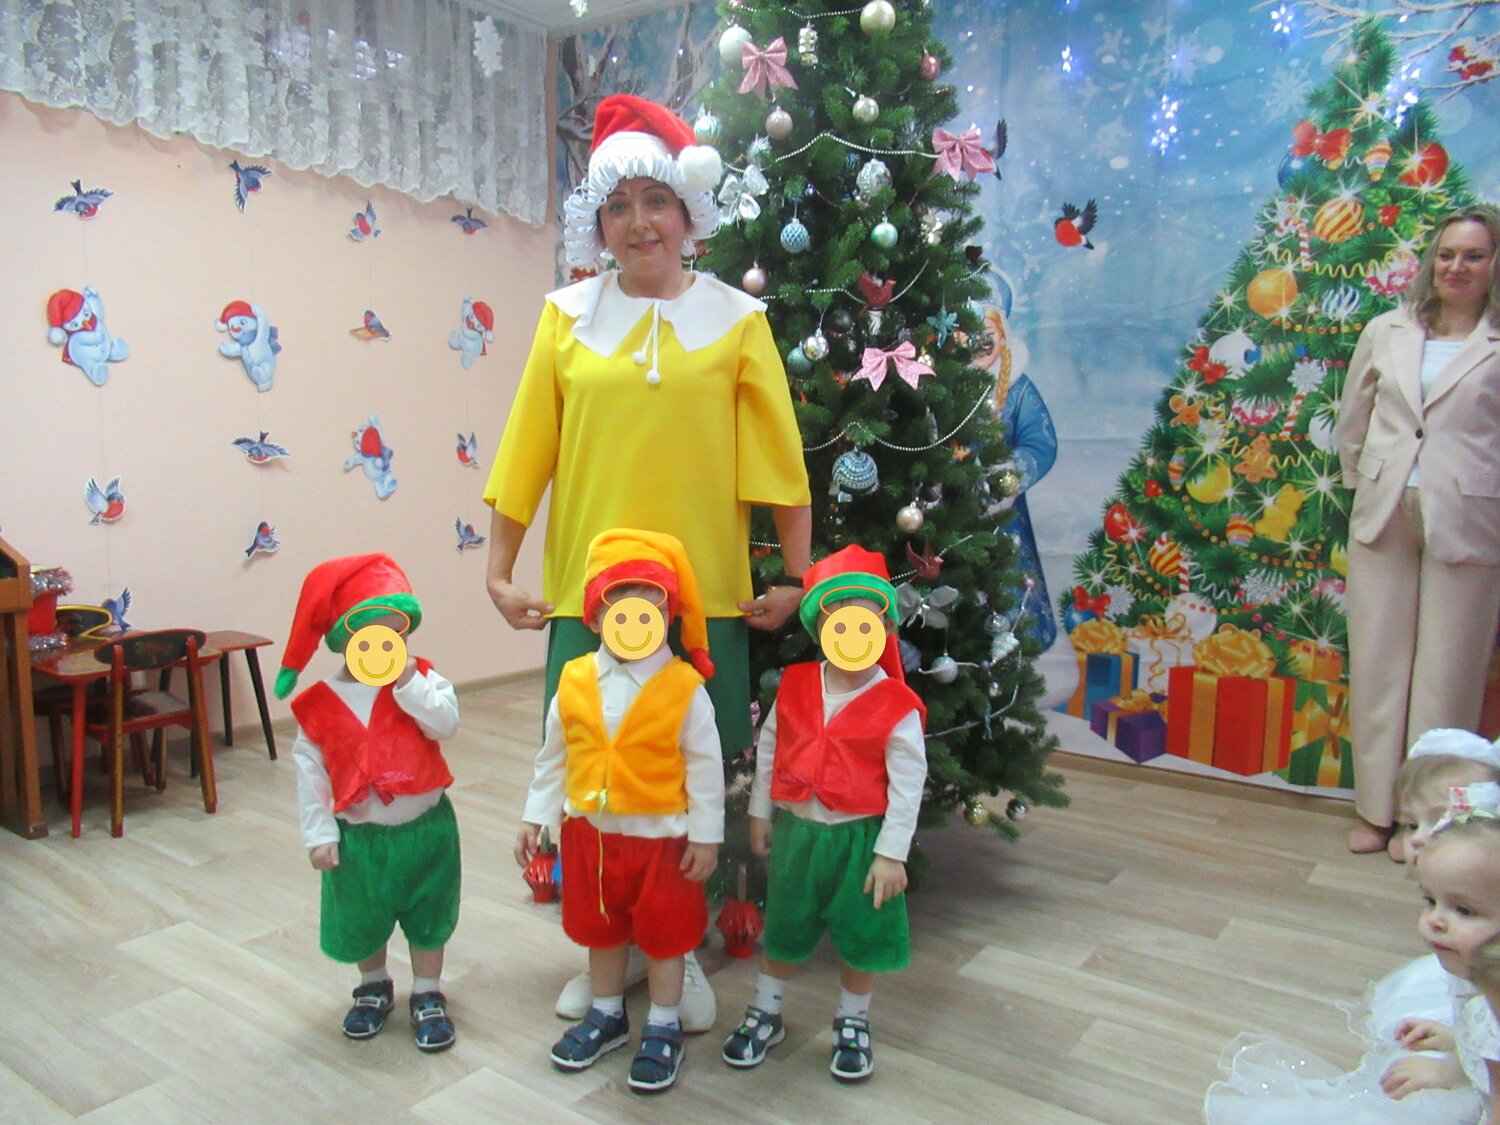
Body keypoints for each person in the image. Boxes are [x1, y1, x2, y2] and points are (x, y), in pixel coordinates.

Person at [484, 92, 812, 1025]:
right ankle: (610, 952)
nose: (638, 223)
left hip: (701, 600)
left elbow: (780, 465)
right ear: (600, 224)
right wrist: (501, 569)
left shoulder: (738, 321)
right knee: (596, 776)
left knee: (688, 780)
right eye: (618, 206)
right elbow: (525, 453)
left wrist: (794, 577)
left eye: (655, 202)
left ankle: (678, 946)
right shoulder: (564, 318)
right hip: (587, 599)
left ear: (687, 212)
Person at [515, 529, 724, 1094]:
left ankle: (664, 1023)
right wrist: (535, 816)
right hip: (591, 836)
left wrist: (706, 835)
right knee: (601, 930)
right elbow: (553, 755)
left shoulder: (684, 687)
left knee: (666, 937)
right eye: (620, 605)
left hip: (663, 841)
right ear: (595, 615)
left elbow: (705, 766)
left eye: (650, 605)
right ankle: (607, 1013)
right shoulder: (574, 680)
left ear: (668, 615)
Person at [1204, 731, 1500, 1123]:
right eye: (1429, 901)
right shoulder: (1473, 958)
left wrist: (1455, 1067)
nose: (1419, 839)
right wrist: (1458, 1048)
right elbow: (1479, 1017)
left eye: (1463, 909)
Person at [720, 545, 926, 1083]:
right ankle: (766, 1011)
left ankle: (853, 1020)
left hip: (861, 841)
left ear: (884, 628)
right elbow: (770, 748)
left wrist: (891, 854)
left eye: (866, 624)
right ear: (822, 628)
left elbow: (908, 786)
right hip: (799, 836)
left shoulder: (896, 705)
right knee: (785, 925)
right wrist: (761, 812)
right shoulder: (795, 685)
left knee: (863, 932)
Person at [1337, 203, 1500, 856]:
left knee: (1448, 673)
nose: (1457, 267)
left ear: (1494, 265)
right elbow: (1354, 415)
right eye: (1448, 254)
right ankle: (1377, 810)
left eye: (1474, 256)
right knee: (1378, 663)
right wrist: (1363, 480)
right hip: (1385, 514)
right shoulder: (1389, 329)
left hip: (1470, 518)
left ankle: (1424, 820)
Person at [275, 554, 462, 1053]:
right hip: (359, 838)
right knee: (362, 915)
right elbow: (310, 774)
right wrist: (320, 834)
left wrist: (408, 685)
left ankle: (428, 992)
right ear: (345, 639)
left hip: (426, 831)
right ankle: (373, 984)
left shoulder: (423, 680)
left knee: (429, 915)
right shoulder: (320, 704)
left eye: (394, 634)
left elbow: (445, 724)